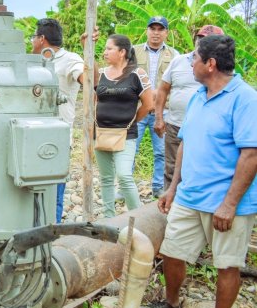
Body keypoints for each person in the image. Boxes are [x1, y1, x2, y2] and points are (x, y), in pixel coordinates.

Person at [140, 35, 257, 308]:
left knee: (227, 265)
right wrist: (173, 188)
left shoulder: (245, 99)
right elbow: (186, 145)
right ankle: (172, 303)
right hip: (190, 196)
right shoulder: (198, 97)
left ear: (211, 64)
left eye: (194, 59)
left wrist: (230, 204)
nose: (189, 64)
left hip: (227, 203)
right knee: (172, 251)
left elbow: (251, 155)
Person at [30, 18, 93, 222]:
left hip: (56, 137)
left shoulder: (69, 59)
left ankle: (52, 234)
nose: (31, 42)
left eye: (33, 37)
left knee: (55, 191)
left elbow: (89, 81)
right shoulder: (35, 61)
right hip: (30, 135)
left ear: (42, 39)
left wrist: (89, 54)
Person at [153, 25, 224, 192]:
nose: (203, 43)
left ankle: (192, 206)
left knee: (200, 168)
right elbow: (163, 89)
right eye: (201, 39)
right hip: (176, 125)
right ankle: (169, 205)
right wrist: (159, 118)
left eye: (209, 40)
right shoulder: (179, 61)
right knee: (171, 167)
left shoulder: (223, 68)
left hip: (206, 130)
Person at [95, 34, 154, 218]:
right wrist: (87, 45)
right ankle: (108, 219)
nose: (105, 52)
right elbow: (94, 95)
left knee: (124, 176)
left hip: (126, 134)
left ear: (122, 52)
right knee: (105, 179)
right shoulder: (102, 73)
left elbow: (148, 104)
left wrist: (133, 120)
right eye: (104, 48)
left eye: (109, 48)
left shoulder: (137, 74)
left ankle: (138, 218)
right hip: (102, 132)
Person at [130, 16, 179, 198]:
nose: (156, 33)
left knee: (161, 152)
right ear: (147, 31)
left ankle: (158, 187)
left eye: (160, 29)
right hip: (138, 109)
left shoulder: (175, 55)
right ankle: (127, 188)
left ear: (166, 33)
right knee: (130, 150)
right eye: (153, 29)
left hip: (162, 111)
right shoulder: (134, 52)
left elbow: (177, 82)